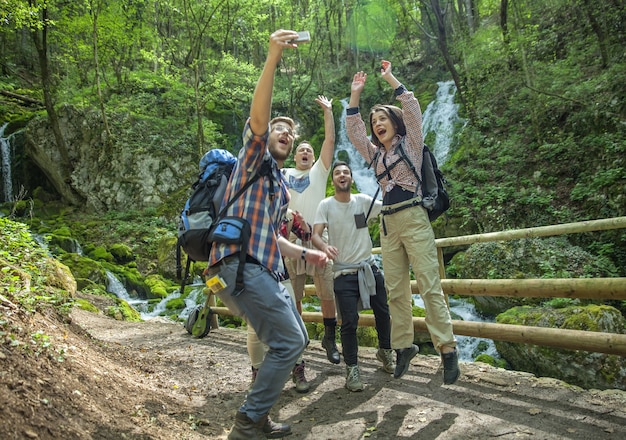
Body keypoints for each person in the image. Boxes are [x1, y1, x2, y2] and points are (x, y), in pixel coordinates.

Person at [207, 30, 328, 440]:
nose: (286, 134)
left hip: (262, 267)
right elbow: (259, 118)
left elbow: (272, 237)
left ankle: (256, 416)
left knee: (296, 339)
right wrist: (273, 56)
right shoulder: (253, 159)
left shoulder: (277, 183)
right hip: (238, 266)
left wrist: (306, 253)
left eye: (290, 132)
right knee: (291, 341)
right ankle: (247, 422)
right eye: (280, 129)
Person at [345, 60, 460, 385]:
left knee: (428, 284)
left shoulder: (411, 144)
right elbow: (354, 134)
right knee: (395, 290)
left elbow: (411, 107)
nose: (377, 123)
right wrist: (355, 96)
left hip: (413, 215)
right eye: (374, 120)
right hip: (388, 224)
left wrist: (390, 79)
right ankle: (403, 347)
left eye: (382, 118)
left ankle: (447, 349)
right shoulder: (375, 155)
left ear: (394, 122)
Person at [312, 161, 394, 392]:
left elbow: (388, 206)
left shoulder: (363, 201)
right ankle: (352, 369)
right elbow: (315, 235)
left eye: (346, 172)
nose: (342, 175)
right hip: (343, 271)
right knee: (349, 321)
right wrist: (324, 247)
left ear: (351, 178)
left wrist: (390, 184)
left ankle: (386, 352)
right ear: (334, 180)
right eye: (337, 172)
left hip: (369, 267)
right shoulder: (326, 205)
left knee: (383, 313)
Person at [283, 95, 341, 365]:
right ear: (294, 155)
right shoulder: (283, 174)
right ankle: (298, 336)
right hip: (291, 239)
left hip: (318, 238)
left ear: (314, 157)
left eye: (309, 150)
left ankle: (330, 337)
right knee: (293, 294)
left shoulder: (320, 171)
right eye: (301, 150)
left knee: (326, 292)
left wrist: (328, 112)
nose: (305, 152)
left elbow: (329, 141)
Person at [246, 209, 312, 393]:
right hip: (254, 275)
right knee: (255, 326)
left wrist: (302, 221)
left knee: (294, 323)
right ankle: (258, 375)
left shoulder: (287, 214)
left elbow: (306, 235)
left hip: (280, 275)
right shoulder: (250, 207)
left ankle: (298, 368)